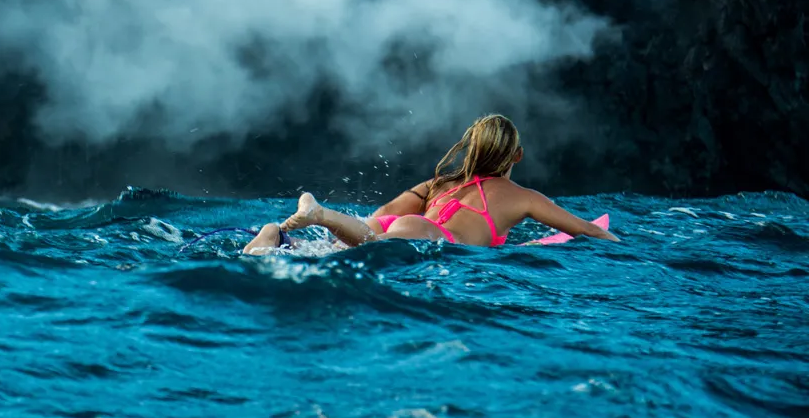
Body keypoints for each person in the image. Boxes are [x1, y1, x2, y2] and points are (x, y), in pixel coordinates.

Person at [242, 114, 619, 254]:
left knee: (339, 248)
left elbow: (385, 214)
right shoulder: (522, 198)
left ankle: (280, 236)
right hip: (433, 236)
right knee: (364, 252)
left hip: (400, 225)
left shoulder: (441, 182)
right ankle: (317, 217)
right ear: (516, 156)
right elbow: (584, 229)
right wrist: (625, 248)